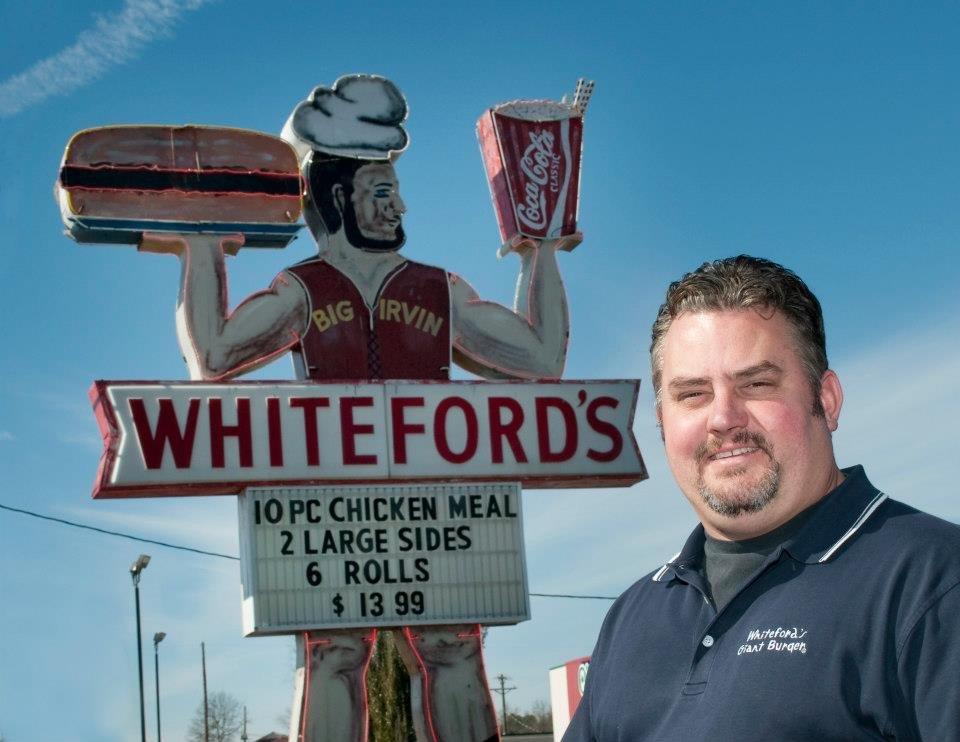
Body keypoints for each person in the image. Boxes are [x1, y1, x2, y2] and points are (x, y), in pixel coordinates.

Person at [142, 74, 578, 742]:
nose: (398, 202)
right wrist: (202, 245)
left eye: (396, 188)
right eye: (382, 190)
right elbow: (215, 356)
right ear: (339, 198)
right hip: (331, 505)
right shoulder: (305, 288)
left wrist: (539, 248)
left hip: (437, 502)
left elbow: (542, 356)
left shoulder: (437, 288)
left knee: (456, 647)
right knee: (334, 653)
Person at [564, 255, 960, 741]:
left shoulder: (934, 582)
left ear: (827, 400)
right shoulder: (632, 616)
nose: (723, 418)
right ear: (662, 422)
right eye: (692, 394)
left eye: (756, 384)